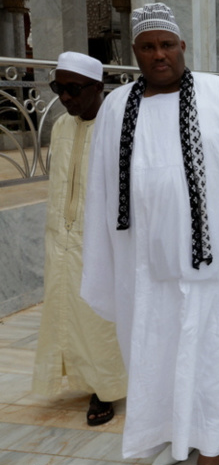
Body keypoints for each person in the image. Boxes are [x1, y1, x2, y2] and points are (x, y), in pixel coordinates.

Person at [81, 3, 219, 465]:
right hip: (146, 269)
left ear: (182, 47)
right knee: (155, 351)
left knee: (214, 354)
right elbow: (103, 192)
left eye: (167, 45)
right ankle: (173, 437)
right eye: (148, 47)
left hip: (215, 270)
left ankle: (211, 456)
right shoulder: (115, 109)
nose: (159, 55)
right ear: (134, 52)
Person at [32, 52, 127, 426]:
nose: (65, 98)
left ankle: (104, 388)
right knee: (68, 312)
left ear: (98, 88)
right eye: (59, 89)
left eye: (73, 89)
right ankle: (84, 377)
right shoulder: (61, 127)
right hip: (64, 238)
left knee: (100, 317)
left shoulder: (118, 127)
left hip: (102, 243)